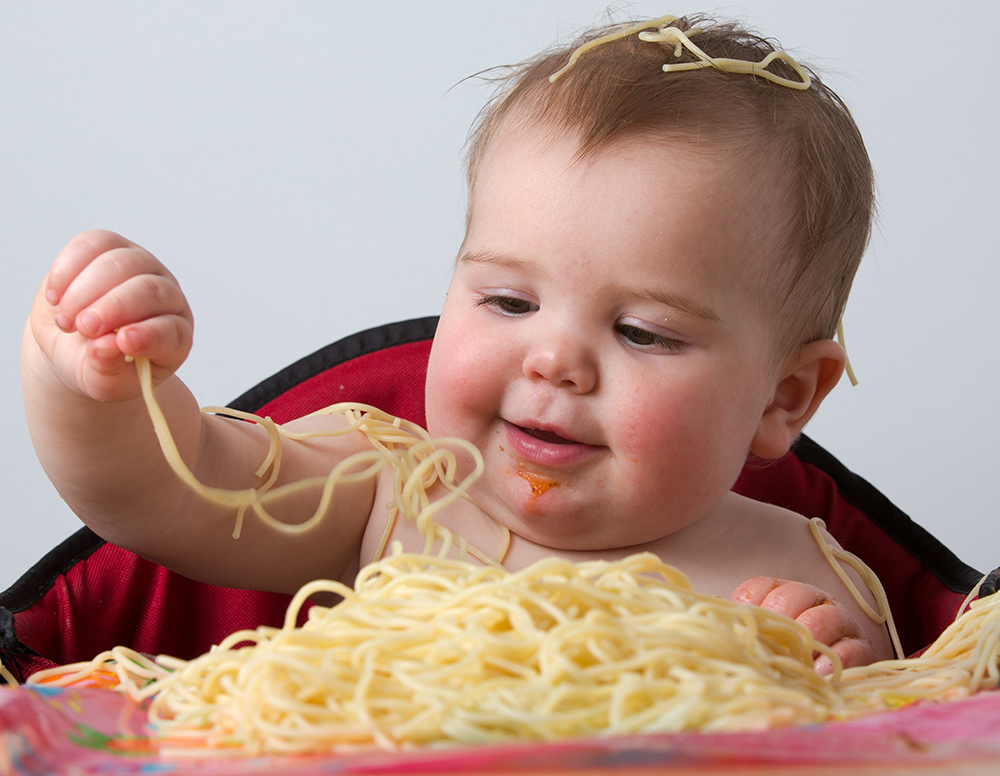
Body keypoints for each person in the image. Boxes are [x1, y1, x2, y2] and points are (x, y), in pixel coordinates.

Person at [21, 14, 893, 671]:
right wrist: (94, 384)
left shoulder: (797, 573)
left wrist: (840, 665)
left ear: (786, 397)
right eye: (510, 301)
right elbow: (168, 491)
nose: (554, 361)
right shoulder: (393, 486)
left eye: (642, 332)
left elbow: (907, 725)